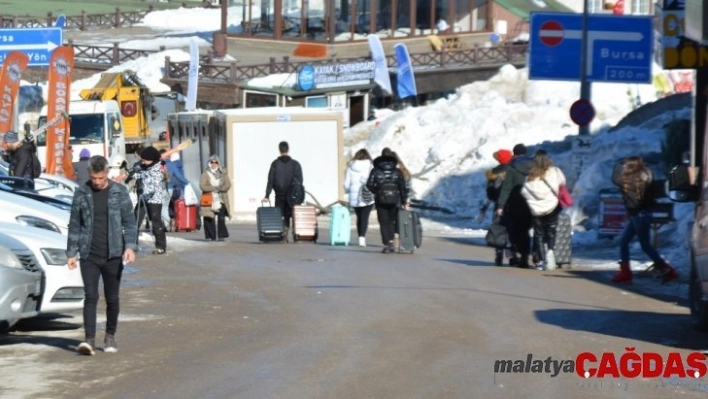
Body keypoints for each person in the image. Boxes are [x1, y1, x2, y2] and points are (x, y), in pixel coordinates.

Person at [66, 155, 137, 355]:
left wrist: (130, 246)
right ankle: (89, 339)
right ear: (89, 175)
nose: (97, 182)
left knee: (112, 298)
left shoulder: (119, 192)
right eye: (94, 178)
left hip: (113, 254)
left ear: (107, 174)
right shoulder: (81, 193)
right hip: (89, 253)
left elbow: (129, 223)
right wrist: (71, 252)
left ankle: (110, 336)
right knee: (90, 295)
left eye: (101, 178)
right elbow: (75, 224)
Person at [611, 156, 678, 284]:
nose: (624, 168)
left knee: (644, 245)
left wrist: (618, 165)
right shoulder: (647, 174)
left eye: (625, 165)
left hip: (638, 215)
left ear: (631, 166)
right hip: (643, 214)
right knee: (625, 242)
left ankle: (667, 270)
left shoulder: (631, 179)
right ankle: (626, 273)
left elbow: (615, 179)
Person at [521, 150, 566, 271]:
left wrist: (533, 201)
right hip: (553, 206)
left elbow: (525, 191)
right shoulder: (555, 171)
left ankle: (541, 260)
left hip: (536, 209)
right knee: (551, 231)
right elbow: (563, 183)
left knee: (539, 234)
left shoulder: (531, 175)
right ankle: (550, 252)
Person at [495, 143, 533, 268]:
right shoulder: (534, 166)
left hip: (515, 203)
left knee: (514, 230)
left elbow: (506, 188)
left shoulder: (511, 167)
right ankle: (526, 256)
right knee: (527, 230)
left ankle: (517, 253)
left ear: (514, 154)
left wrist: (500, 205)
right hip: (532, 202)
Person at [367, 149, 409, 253]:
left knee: (383, 222)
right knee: (391, 221)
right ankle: (391, 241)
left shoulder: (375, 170)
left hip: (381, 200)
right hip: (394, 199)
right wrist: (404, 200)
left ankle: (387, 243)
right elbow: (402, 187)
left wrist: (376, 191)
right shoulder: (397, 171)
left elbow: (369, 184)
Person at [263, 141, 303, 237]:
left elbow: (270, 180)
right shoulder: (295, 164)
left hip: (279, 195)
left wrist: (267, 195)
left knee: (281, 215)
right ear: (288, 149)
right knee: (292, 214)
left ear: (279, 150)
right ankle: (295, 233)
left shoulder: (275, 164)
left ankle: (283, 232)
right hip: (292, 196)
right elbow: (300, 181)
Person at [482, 149, 515, 266]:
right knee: (511, 231)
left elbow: (490, 193)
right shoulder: (514, 171)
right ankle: (511, 256)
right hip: (512, 205)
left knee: (499, 229)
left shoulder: (493, 173)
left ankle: (499, 254)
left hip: (498, 206)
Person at [134, 146, 168, 254]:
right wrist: (131, 174)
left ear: (151, 160)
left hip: (154, 200)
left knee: (156, 222)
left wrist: (142, 190)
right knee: (135, 220)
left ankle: (160, 246)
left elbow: (154, 187)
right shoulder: (146, 167)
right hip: (143, 198)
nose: (142, 162)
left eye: (144, 160)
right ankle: (132, 244)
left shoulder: (158, 170)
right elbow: (139, 174)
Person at [344, 149, 375, 247]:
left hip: (354, 196)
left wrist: (351, 190)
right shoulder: (370, 167)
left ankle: (360, 237)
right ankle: (362, 238)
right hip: (367, 195)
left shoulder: (351, 167)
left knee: (359, 217)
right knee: (365, 217)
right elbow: (373, 181)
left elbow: (346, 184)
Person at [200, 155, 231, 241]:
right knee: (209, 217)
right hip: (208, 198)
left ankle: (221, 235)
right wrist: (212, 188)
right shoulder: (205, 174)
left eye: (215, 162)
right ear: (209, 163)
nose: (214, 164)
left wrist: (221, 188)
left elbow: (228, 184)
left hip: (220, 198)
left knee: (221, 217)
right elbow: (202, 186)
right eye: (212, 162)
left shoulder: (223, 173)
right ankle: (210, 236)